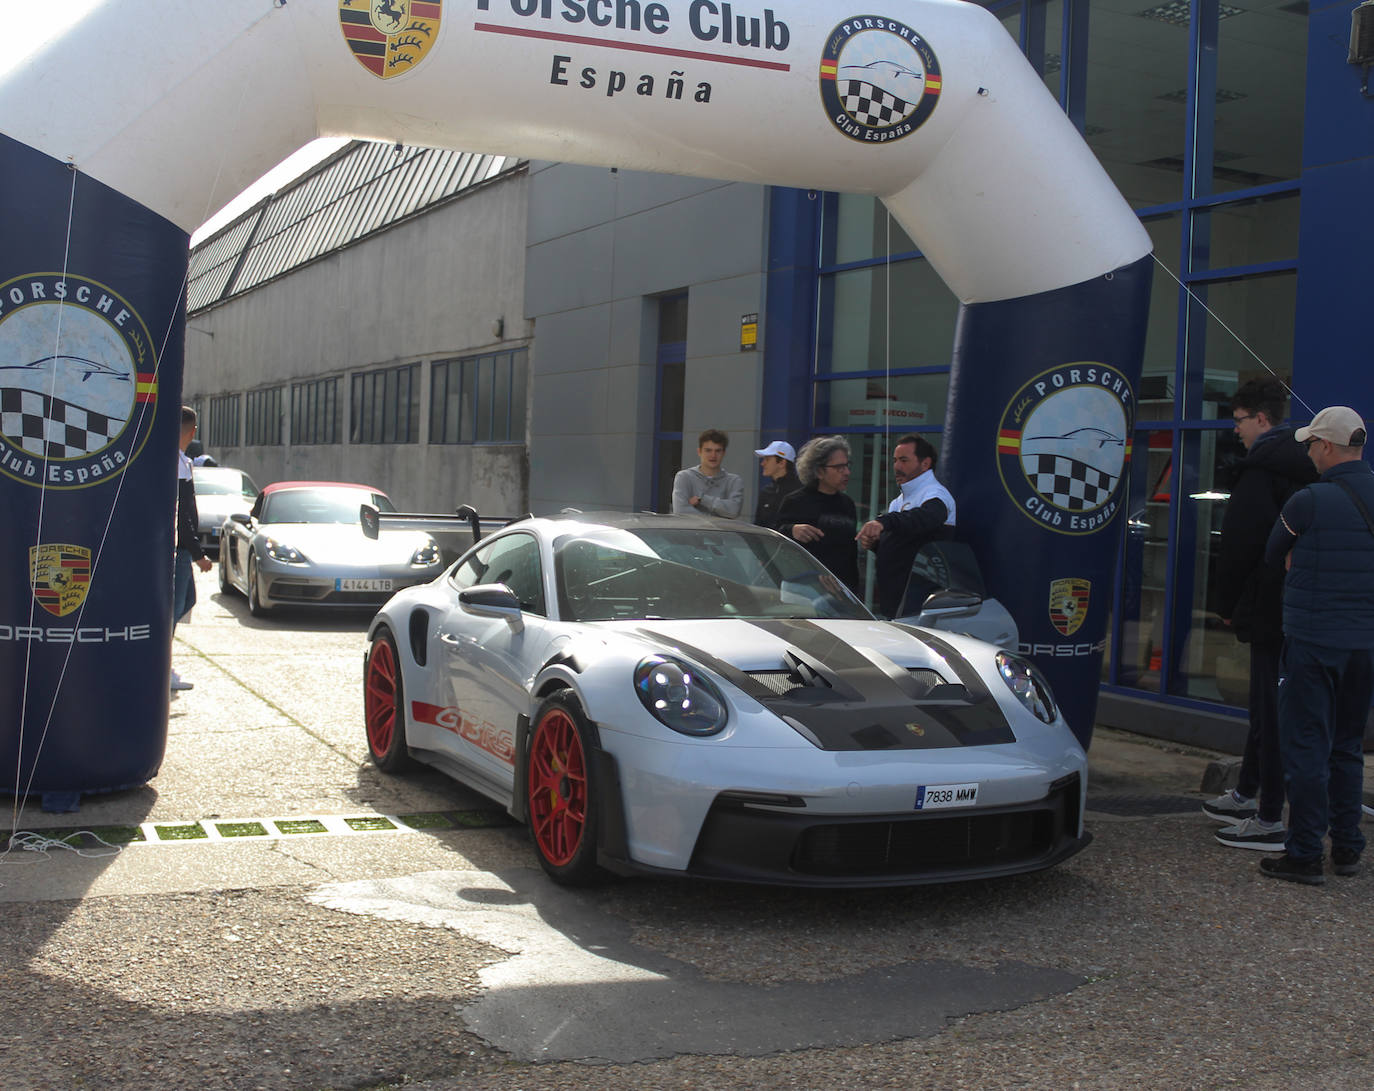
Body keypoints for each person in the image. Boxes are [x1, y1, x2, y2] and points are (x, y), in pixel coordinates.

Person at [1259, 405, 1372, 884]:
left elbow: (1271, 556)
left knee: (1306, 746)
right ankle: (1347, 849)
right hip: (1364, 646)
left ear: (1327, 446)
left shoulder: (1306, 501)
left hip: (1311, 643)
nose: (1308, 452)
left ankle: (1304, 853)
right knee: (1347, 747)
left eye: (1311, 444)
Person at [1204, 379, 1317, 851]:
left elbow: (1239, 545)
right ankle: (1248, 791)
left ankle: (1269, 812)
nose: (1237, 432)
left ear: (1262, 420)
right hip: (1302, 604)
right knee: (1272, 702)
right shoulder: (1310, 468)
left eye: (1240, 421)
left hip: (1266, 606)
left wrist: (1226, 604)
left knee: (1269, 708)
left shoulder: (1258, 472)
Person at [856, 434, 956, 618]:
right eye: (895, 460)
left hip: (922, 605)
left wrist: (884, 522)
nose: (896, 467)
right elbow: (904, 542)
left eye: (904, 460)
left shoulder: (936, 494)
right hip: (895, 604)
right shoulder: (898, 501)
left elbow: (924, 519)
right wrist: (876, 544)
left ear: (925, 464)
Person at [774, 436, 860, 594]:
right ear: (819, 471)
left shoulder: (847, 504)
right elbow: (774, 539)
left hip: (843, 592)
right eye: (839, 467)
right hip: (803, 590)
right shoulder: (795, 501)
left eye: (847, 465)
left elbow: (850, 552)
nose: (847, 472)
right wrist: (791, 530)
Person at [173, 406, 214, 692]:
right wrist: (198, 552)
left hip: (183, 549)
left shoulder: (182, 461)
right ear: (193, 431)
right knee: (172, 609)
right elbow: (181, 514)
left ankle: (163, 665)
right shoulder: (175, 463)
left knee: (186, 602)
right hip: (179, 550)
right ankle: (161, 668)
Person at [671, 429, 743, 518]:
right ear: (699, 452)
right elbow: (681, 512)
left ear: (723, 453)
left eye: (718, 451)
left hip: (723, 532)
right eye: (708, 450)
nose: (713, 455)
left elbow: (733, 511)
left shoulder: (734, 481)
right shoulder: (684, 477)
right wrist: (720, 517)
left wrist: (702, 499)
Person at [753, 440, 801, 529]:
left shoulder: (800, 491)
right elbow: (758, 525)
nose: (762, 463)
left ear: (782, 463)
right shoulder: (766, 491)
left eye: (767, 459)